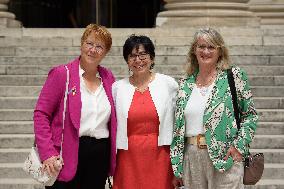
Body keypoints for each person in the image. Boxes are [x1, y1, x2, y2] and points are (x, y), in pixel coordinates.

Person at [171, 28, 258, 189]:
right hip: (191, 158)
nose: (205, 51)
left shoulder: (234, 76)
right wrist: (176, 164)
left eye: (211, 47)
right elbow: (178, 127)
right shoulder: (185, 83)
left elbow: (250, 116)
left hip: (225, 157)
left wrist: (238, 147)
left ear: (220, 51)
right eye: (201, 46)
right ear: (194, 51)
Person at [34, 23, 117, 189]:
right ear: (81, 44)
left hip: (99, 156)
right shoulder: (61, 74)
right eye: (89, 43)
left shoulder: (108, 78)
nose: (93, 50)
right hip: (65, 155)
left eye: (99, 46)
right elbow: (41, 114)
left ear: (105, 52)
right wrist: (48, 153)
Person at [112, 34, 178, 189]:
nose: (138, 60)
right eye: (132, 56)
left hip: (160, 155)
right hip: (128, 157)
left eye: (143, 55)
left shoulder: (168, 84)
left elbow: (179, 121)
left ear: (152, 58)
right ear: (127, 61)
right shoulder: (117, 88)